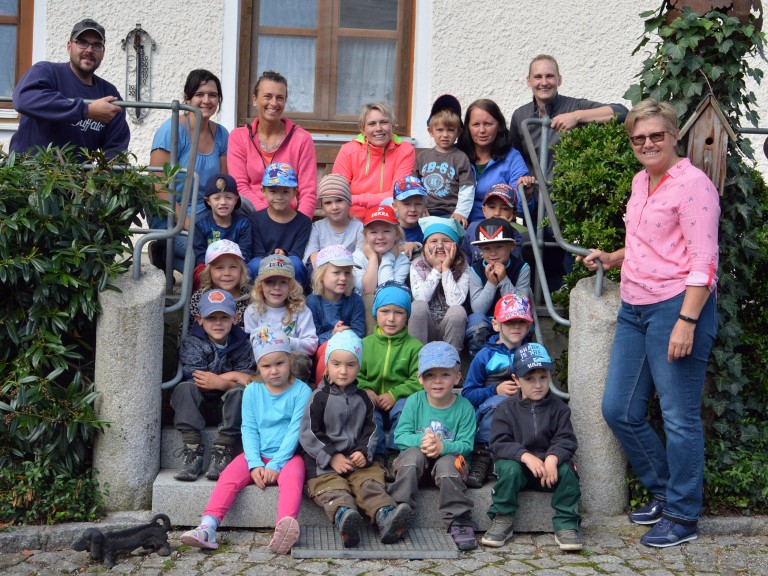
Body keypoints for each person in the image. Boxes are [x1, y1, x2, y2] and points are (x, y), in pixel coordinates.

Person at [580, 99, 719, 548]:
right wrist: (614, 257)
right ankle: (663, 491)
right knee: (618, 409)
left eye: (656, 135)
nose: (647, 143)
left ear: (674, 136)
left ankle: (683, 515)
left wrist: (686, 321)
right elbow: (649, 241)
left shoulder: (693, 185)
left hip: (676, 307)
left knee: (679, 418)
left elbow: (703, 261)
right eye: (639, 137)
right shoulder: (642, 181)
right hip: (634, 307)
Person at [180, 328, 311, 555]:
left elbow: (294, 431)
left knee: (294, 478)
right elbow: (248, 428)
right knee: (229, 477)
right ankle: (208, 526)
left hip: (288, 456)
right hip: (256, 453)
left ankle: (284, 527)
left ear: (290, 360)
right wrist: (254, 463)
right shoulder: (253, 390)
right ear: (257, 367)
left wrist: (275, 464)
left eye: (279, 363)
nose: (273, 371)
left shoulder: (302, 391)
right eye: (266, 366)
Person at [300, 330, 414, 548]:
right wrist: (332, 457)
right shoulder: (318, 397)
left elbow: (371, 430)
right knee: (333, 489)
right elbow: (309, 432)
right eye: (336, 364)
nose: (343, 371)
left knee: (369, 483)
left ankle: (385, 516)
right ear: (327, 365)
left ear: (358, 366)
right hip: (325, 463)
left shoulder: (363, 398)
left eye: (350, 365)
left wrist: (364, 451)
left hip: (357, 459)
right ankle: (345, 518)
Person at [482, 342, 582, 551]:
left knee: (568, 472)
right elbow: (499, 443)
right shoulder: (504, 409)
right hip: (518, 469)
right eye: (529, 379)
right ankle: (503, 517)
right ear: (516, 380)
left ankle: (566, 523)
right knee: (508, 468)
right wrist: (525, 456)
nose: (538, 385)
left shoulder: (559, 409)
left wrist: (553, 458)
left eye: (543, 377)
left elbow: (566, 439)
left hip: (548, 471)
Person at [388, 341, 478, 551]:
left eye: (445, 375)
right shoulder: (414, 401)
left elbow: (466, 444)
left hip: (448, 465)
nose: (437, 381)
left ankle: (459, 521)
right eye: (430, 375)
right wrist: (423, 441)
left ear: (457, 377)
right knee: (411, 457)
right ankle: (399, 510)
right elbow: (400, 436)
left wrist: (441, 447)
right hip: (417, 463)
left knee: (448, 465)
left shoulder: (464, 407)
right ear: (420, 378)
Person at [10, 18, 130, 156]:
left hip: (78, 176)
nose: (89, 50)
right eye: (82, 42)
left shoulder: (109, 93)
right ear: (69, 46)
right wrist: (86, 110)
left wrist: (107, 175)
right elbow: (23, 100)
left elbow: (116, 149)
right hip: (30, 173)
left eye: (97, 45)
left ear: (103, 52)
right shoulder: (46, 72)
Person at [149, 69, 228, 273]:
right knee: (207, 259)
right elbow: (157, 185)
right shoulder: (172, 130)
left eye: (212, 95)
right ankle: (163, 249)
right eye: (199, 94)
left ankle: (165, 257)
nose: (206, 100)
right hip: (169, 215)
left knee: (224, 258)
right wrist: (184, 220)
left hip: (206, 215)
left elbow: (223, 183)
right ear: (187, 98)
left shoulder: (221, 134)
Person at [172, 289, 254, 482]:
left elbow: (248, 379)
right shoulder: (192, 343)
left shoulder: (244, 345)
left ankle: (223, 449)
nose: (218, 323)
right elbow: (199, 379)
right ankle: (193, 450)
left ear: (236, 318)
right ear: (200, 319)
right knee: (185, 388)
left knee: (241, 393)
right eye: (211, 318)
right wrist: (231, 378)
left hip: (229, 411)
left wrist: (219, 381)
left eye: (224, 317)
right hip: (199, 407)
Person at [509, 54, 628, 180]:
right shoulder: (520, 116)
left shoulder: (575, 106)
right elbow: (515, 159)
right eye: (538, 77)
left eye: (550, 76)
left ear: (559, 80)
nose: (544, 82)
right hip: (533, 196)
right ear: (529, 81)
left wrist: (576, 116)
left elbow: (621, 112)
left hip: (568, 194)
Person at [461, 293, 534, 488]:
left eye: (521, 321)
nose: (516, 326)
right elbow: (467, 394)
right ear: (496, 325)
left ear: (528, 326)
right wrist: (495, 390)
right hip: (491, 411)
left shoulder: (532, 353)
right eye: (509, 322)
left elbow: (544, 385)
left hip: (524, 409)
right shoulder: (485, 355)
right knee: (498, 405)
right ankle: (482, 458)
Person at [227, 70, 317, 218]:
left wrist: (300, 226)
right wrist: (268, 219)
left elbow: (308, 192)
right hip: (252, 216)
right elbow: (240, 186)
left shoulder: (302, 138)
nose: (274, 103)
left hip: (290, 217)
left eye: (280, 98)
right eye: (267, 96)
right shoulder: (238, 137)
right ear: (255, 99)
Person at [357, 282, 423, 479]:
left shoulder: (414, 347)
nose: (391, 318)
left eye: (399, 312)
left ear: (407, 317)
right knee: (368, 410)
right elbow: (355, 375)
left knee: (405, 408)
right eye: (385, 311)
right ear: (376, 313)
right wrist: (367, 389)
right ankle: (376, 454)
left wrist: (394, 394)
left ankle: (395, 451)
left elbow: (420, 379)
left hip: (399, 400)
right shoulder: (364, 344)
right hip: (373, 399)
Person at [332, 102, 416, 219]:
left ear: (393, 125)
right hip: (353, 219)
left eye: (384, 122)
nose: (378, 129)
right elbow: (338, 193)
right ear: (362, 129)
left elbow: (397, 194)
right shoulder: (348, 151)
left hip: (389, 218)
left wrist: (353, 199)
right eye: (372, 124)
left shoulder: (405, 151)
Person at [456, 99, 533, 224]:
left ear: (499, 125)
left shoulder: (512, 158)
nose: (481, 130)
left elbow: (523, 212)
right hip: (457, 225)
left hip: (499, 226)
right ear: (467, 128)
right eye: (475, 125)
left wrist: (526, 196)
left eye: (487, 124)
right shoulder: (456, 155)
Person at [243, 255, 318, 384]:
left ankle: (296, 394)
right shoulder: (252, 311)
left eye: (283, 282)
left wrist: (286, 341)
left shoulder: (300, 310)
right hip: (264, 364)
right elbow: (250, 345)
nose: (276, 287)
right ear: (260, 285)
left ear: (291, 286)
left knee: (300, 360)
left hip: (290, 364)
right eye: (270, 282)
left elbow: (311, 345)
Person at [466, 218, 531, 357]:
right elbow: (478, 309)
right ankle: (480, 362)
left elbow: (521, 306)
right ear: (480, 249)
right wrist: (491, 283)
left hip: (513, 319)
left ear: (512, 246)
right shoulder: (475, 270)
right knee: (476, 322)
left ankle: (517, 361)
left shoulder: (522, 268)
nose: (493, 253)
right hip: (487, 319)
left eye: (499, 246)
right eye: (487, 248)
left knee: (529, 325)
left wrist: (503, 280)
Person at [307, 245, 366, 385]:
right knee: (329, 346)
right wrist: (332, 335)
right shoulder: (312, 301)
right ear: (321, 275)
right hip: (322, 352)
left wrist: (343, 335)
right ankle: (322, 391)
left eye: (347, 273)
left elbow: (359, 333)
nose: (343, 278)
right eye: (336, 272)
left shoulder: (354, 300)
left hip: (350, 348)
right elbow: (312, 338)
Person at [414, 94, 475, 227]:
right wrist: (417, 206)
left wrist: (461, 212)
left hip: (450, 212)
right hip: (425, 211)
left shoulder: (460, 158)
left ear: (459, 132)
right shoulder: (422, 157)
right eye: (440, 130)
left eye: (450, 130)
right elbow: (414, 186)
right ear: (431, 131)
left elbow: (467, 188)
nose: (445, 135)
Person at [409, 217, 469, 350]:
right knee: (417, 306)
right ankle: (416, 361)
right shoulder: (417, 265)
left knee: (458, 311)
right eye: (433, 241)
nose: (440, 246)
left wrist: (446, 269)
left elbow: (455, 302)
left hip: (449, 327)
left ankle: (452, 362)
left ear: (456, 246)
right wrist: (436, 269)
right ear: (425, 247)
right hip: (425, 326)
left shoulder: (463, 267)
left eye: (446, 241)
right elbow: (421, 298)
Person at [247, 163, 311, 287]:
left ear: (294, 192)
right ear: (263, 191)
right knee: (254, 265)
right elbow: (257, 252)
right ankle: (255, 299)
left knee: (296, 264)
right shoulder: (255, 219)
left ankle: (296, 300)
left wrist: (284, 255)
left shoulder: (303, 222)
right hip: (264, 261)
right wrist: (272, 259)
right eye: (273, 191)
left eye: (285, 191)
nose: (279, 197)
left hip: (289, 262)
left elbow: (297, 253)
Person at [353, 205, 410, 334]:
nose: (380, 237)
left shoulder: (402, 260)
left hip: (390, 313)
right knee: (368, 299)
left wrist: (388, 258)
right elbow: (368, 290)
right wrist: (373, 258)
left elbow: (388, 290)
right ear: (365, 236)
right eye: (373, 232)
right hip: (360, 312)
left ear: (397, 234)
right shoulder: (358, 256)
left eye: (386, 231)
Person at [192, 173, 253, 286]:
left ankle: (242, 299)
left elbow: (245, 252)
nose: (223, 202)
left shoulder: (243, 224)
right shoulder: (201, 225)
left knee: (248, 269)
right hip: (210, 266)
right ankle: (201, 300)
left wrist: (232, 268)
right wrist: (214, 269)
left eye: (228, 197)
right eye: (216, 198)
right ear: (208, 201)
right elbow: (200, 254)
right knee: (199, 271)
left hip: (235, 266)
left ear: (236, 200)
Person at [184, 240, 251, 334]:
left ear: (241, 270)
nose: (227, 273)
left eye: (233, 267)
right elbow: (190, 330)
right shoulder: (200, 297)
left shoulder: (251, 297)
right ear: (209, 272)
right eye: (219, 268)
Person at [303, 174, 364, 269]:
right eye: (328, 203)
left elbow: (360, 258)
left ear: (349, 202)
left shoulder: (359, 227)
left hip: (349, 272)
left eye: (339, 200)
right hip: (322, 272)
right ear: (322, 206)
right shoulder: (317, 227)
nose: (334, 207)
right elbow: (312, 253)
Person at [461, 183, 523, 267]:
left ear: (514, 214)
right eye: (492, 207)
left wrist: (506, 228)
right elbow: (465, 255)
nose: (497, 213)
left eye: (504, 208)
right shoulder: (472, 228)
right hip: (474, 277)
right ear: (484, 210)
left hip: (502, 276)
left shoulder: (514, 235)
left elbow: (511, 264)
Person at [393, 176, 429, 258]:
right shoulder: (388, 229)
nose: (413, 209)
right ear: (395, 206)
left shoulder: (427, 230)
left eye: (418, 204)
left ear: (425, 206)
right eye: (406, 204)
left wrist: (416, 246)